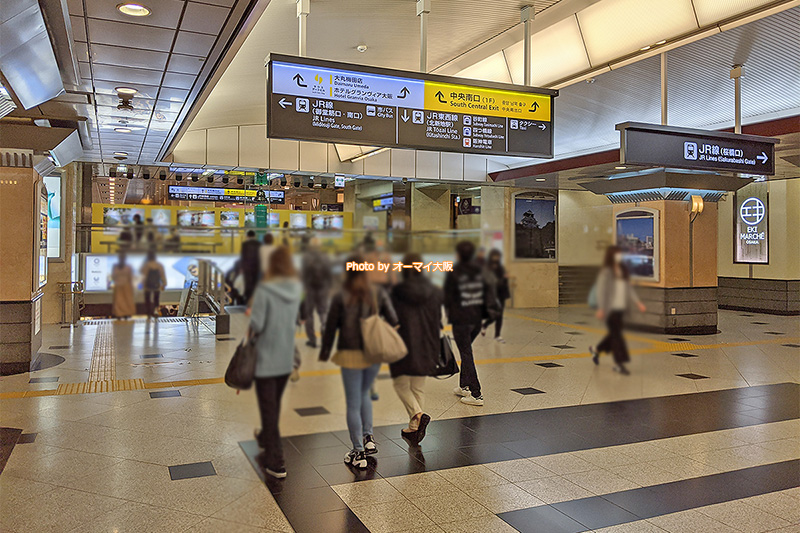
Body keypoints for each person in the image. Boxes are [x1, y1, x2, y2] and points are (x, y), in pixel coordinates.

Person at [319, 255, 399, 469]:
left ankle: (358, 451)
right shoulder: (377, 292)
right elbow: (393, 320)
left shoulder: (341, 296)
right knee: (364, 395)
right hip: (373, 353)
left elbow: (330, 327)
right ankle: (368, 438)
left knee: (353, 403)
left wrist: (325, 351)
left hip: (350, 353)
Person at [250, 246, 303, 479]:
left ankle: (277, 461)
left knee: (268, 407)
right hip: (285, 359)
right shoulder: (295, 289)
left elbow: (258, 325)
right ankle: (264, 437)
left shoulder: (264, 290)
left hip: (266, 359)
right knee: (272, 405)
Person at [390, 253, 443, 444]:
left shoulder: (397, 291)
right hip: (428, 344)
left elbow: (392, 319)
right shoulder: (434, 290)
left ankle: (418, 415)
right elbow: (438, 320)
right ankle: (414, 428)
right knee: (418, 387)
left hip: (405, 344)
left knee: (400, 384)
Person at [444, 241, 499, 407]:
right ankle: (464, 386)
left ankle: (476, 394)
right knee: (464, 350)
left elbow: (448, 296)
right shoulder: (480, 270)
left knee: (466, 352)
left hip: (461, 319)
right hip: (476, 319)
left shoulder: (454, 271)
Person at [589, 246, 646, 375]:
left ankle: (596, 349)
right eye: (617, 254)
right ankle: (619, 363)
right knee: (617, 336)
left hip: (621, 308)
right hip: (610, 309)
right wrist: (601, 308)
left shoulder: (623, 270)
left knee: (615, 333)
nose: (619, 256)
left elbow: (628, 289)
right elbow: (601, 291)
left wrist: (637, 302)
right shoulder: (606, 272)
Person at [301, 238, 332, 348]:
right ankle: (324, 329)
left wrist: (304, 287)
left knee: (309, 314)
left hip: (310, 288)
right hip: (323, 287)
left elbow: (303, 274)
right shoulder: (325, 257)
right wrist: (329, 287)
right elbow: (329, 273)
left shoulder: (306, 257)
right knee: (323, 312)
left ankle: (312, 340)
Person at [482, 249, 510, 343]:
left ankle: (497, 334)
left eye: (497, 256)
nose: (496, 258)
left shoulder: (500, 267)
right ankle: (485, 325)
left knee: (500, 314)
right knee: (494, 314)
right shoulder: (488, 268)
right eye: (495, 256)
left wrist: (504, 279)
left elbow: (504, 280)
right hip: (492, 295)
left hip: (501, 294)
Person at [140, 250, 167, 318]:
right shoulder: (159, 265)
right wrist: (164, 284)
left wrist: (142, 284)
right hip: (156, 285)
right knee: (156, 299)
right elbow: (162, 275)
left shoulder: (146, 265)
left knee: (147, 299)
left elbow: (143, 275)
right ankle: (155, 311)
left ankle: (149, 312)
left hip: (147, 286)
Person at [111, 252, 135, 319]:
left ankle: (119, 314)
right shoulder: (128, 267)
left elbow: (113, 276)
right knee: (125, 300)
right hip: (126, 286)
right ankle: (125, 314)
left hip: (119, 286)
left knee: (120, 301)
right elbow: (130, 277)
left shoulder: (116, 267)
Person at [240, 230, 261, 303]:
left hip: (247, 267)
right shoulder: (259, 244)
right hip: (257, 267)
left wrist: (242, 267)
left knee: (248, 283)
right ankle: (255, 298)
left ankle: (248, 299)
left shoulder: (245, 244)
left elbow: (243, 256)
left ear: (248, 236)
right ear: (254, 236)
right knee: (255, 282)